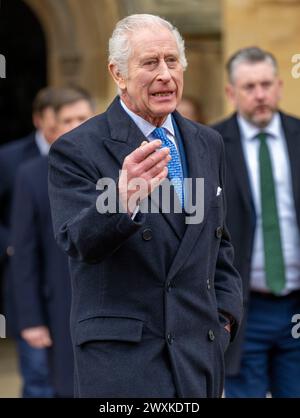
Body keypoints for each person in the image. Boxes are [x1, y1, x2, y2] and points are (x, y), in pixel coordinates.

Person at [48, 14, 242, 398]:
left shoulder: (208, 143)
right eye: (150, 63)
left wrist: (224, 320)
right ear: (117, 73)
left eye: (172, 61)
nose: (165, 75)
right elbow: (77, 241)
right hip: (123, 364)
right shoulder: (76, 149)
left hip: (196, 356)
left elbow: (217, 244)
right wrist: (122, 199)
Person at [213, 46, 300, 397]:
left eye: (266, 84)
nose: (260, 95)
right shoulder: (211, 144)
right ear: (231, 93)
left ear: (280, 85)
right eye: (249, 87)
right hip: (242, 310)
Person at [10, 87, 95, 397]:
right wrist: (31, 320)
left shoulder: (117, 169)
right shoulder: (31, 175)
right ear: (52, 126)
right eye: (68, 120)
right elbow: (24, 255)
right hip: (56, 306)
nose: (76, 126)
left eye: (83, 118)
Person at [0, 86, 58, 397]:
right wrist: (12, 244)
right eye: (64, 119)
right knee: (38, 376)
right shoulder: (10, 160)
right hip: (25, 274)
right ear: (40, 120)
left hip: (66, 277)